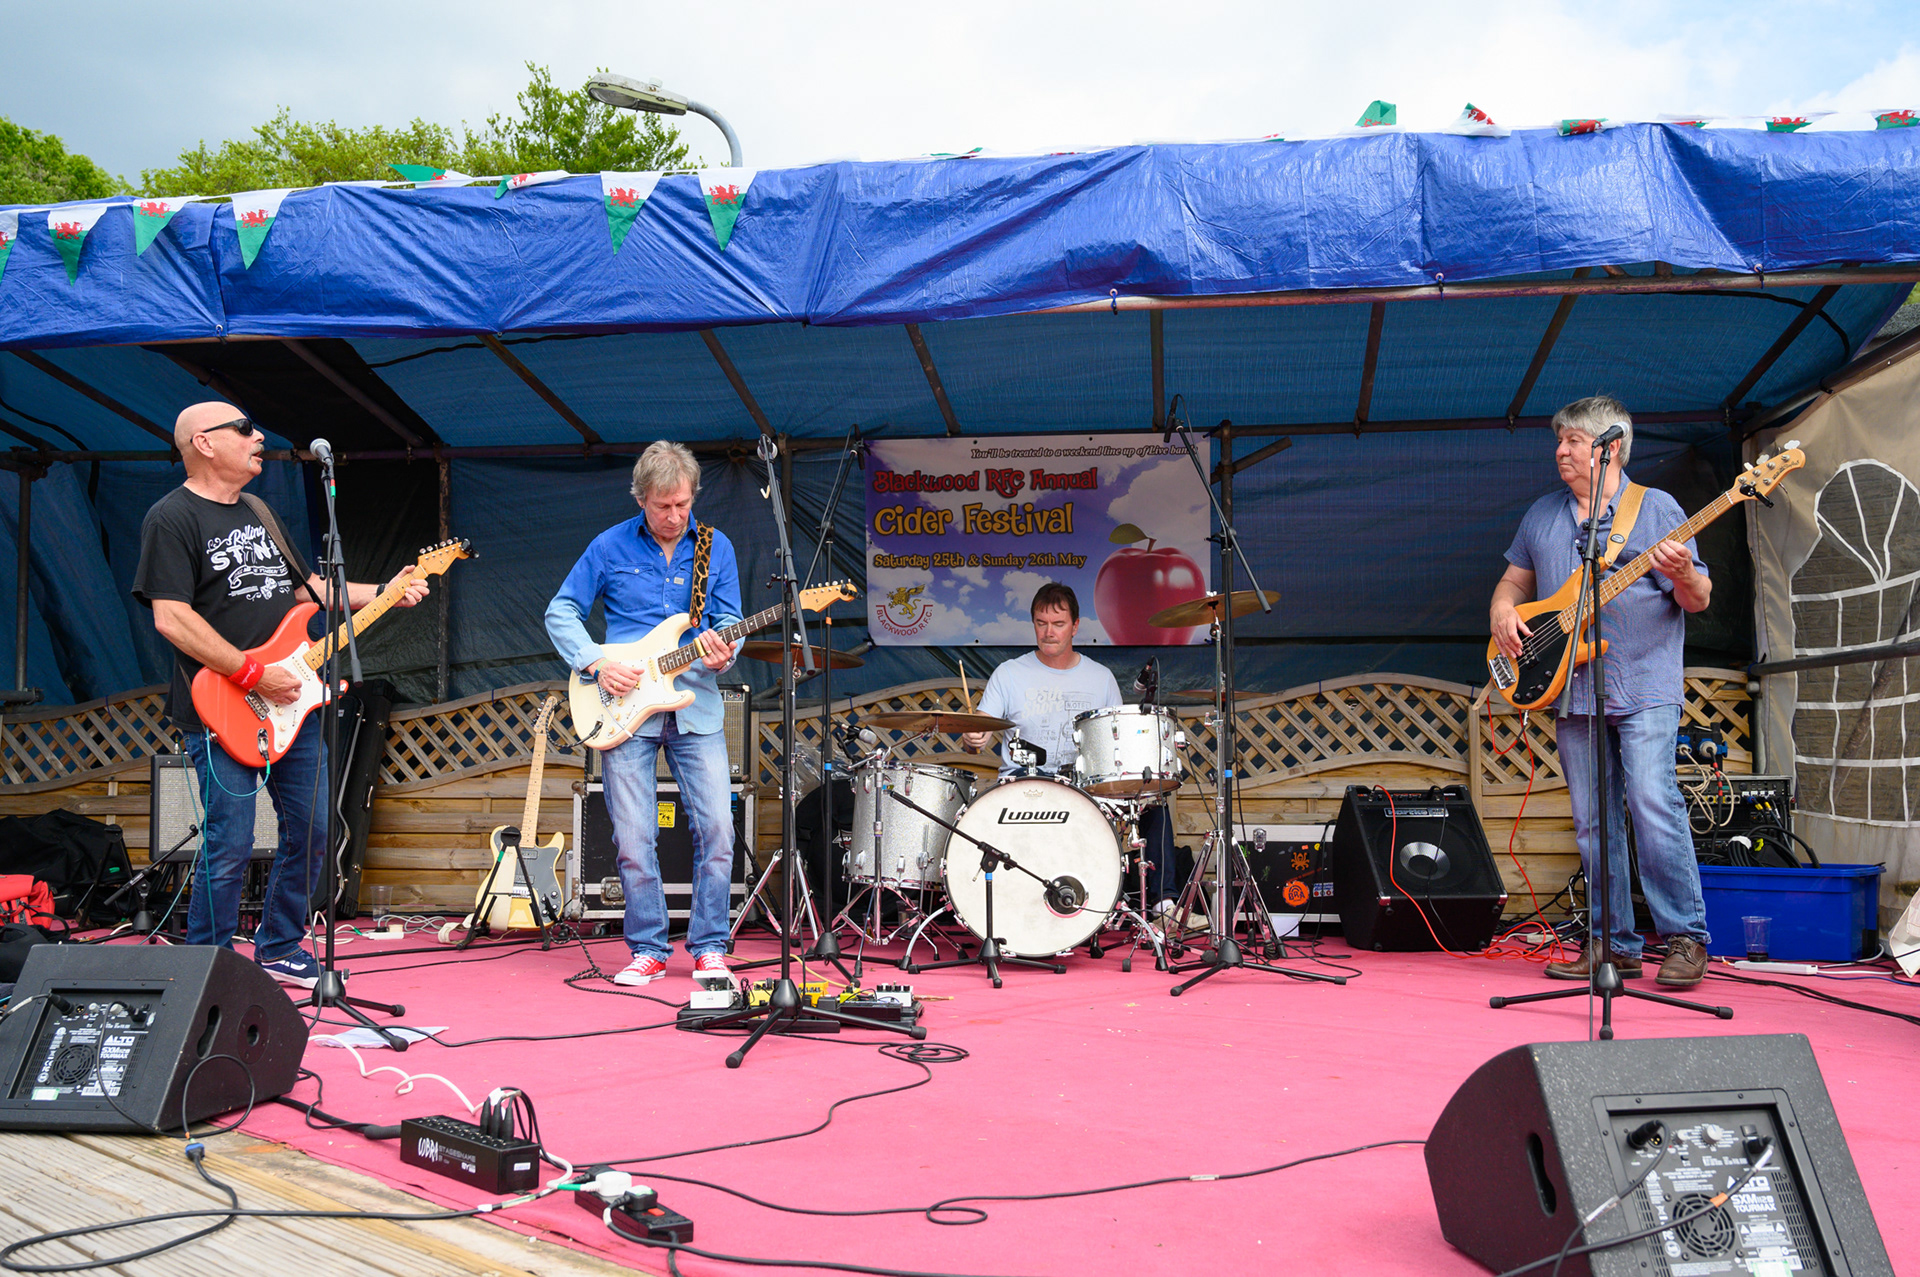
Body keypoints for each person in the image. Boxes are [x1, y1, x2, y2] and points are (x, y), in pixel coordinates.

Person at [133, 402, 429, 987]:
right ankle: (206, 965)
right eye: (243, 429)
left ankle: (281, 943)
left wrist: (387, 591)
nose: (258, 435)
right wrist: (250, 673)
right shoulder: (170, 518)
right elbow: (172, 617)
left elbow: (307, 593)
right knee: (230, 844)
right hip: (222, 707)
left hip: (292, 701)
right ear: (205, 442)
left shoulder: (261, 511)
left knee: (317, 829)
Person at [1490, 395, 1713, 989]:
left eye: (1572, 442)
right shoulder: (1542, 513)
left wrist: (1684, 574)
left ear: (1608, 449)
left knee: (1651, 803)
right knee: (1592, 822)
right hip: (1572, 690)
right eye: (1558, 441)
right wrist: (1502, 609)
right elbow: (1514, 577)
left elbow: (1698, 600)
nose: (1560, 451)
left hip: (1644, 684)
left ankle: (1686, 938)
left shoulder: (1659, 508)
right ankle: (1612, 944)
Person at [546, 442, 742, 987]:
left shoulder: (713, 547)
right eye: (663, 506)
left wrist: (726, 647)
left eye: (683, 504)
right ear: (640, 499)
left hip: (694, 704)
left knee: (719, 831)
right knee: (633, 838)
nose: (675, 517)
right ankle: (649, 948)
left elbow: (729, 620)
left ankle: (708, 947)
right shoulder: (608, 546)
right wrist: (595, 663)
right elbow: (561, 609)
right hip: (622, 706)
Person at [960, 583, 1185, 915]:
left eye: (1058, 624)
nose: (1049, 632)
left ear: (1076, 626)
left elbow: (1117, 744)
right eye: (1041, 623)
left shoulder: (1100, 677)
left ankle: (1164, 905)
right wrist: (973, 738)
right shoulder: (1009, 674)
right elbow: (975, 733)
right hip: (1024, 788)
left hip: (1085, 790)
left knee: (1154, 801)